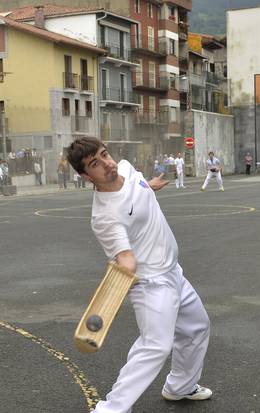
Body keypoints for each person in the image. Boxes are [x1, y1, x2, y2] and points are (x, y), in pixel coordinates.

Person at [65, 137, 212, 412]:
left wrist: (151, 187)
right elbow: (125, 259)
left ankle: (180, 387)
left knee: (196, 328)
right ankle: (110, 409)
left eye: (105, 155)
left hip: (173, 273)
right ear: (86, 176)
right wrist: (110, 296)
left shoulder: (127, 169)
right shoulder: (105, 216)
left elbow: (140, 190)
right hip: (151, 284)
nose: (107, 164)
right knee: (155, 346)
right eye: (96, 164)